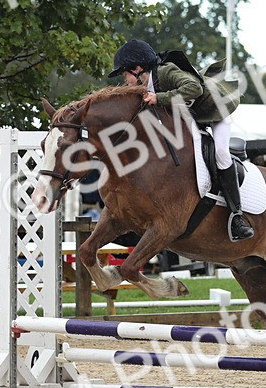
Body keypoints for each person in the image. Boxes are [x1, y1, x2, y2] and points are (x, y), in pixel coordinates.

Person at [108, 39, 253, 241]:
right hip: (192, 115)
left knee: (221, 154)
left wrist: (160, 98)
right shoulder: (145, 87)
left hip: (215, 111)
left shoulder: (165, 72)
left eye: (125, 75)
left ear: (137, 69)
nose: (125, 81)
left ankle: (237, 216)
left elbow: (195, 88)